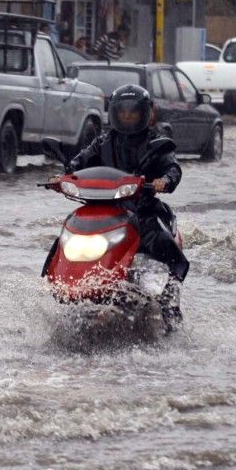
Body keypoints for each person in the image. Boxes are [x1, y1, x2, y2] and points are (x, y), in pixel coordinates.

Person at [51, 84, 188, 329]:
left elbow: (172, 168)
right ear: (113, 113)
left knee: (159, 239)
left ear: (145, 114)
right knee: (67, 229)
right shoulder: (103, 142)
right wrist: (60, 177)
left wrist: (164, 181)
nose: (127, 116)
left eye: (132, 112)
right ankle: (55, 278)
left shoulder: (155, 142)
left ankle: (171, 291)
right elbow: (78, 163)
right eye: (122, 112)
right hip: (102, 208)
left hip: (140, 208)